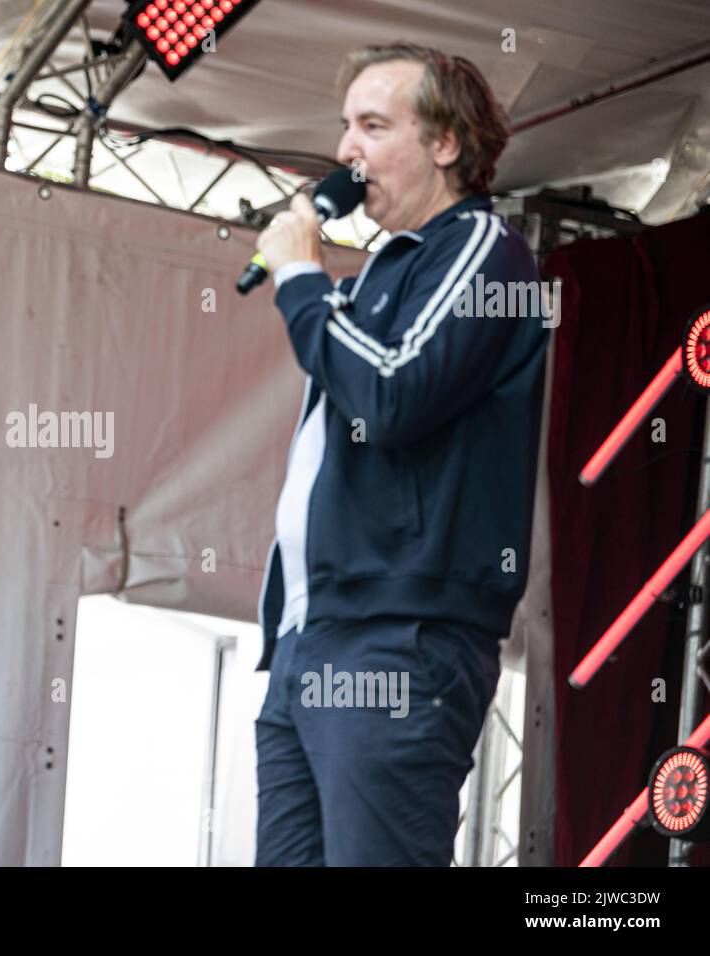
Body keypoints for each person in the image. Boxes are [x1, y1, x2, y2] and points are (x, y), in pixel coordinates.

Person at [253, 43, 548, 866]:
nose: (347, 149)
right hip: (311, 637)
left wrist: (302, 282)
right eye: (345, 126)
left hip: (398, 637)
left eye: (373, 126)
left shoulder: (484, 251)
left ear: (446, 143)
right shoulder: (383, 273)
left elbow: (392, 395)